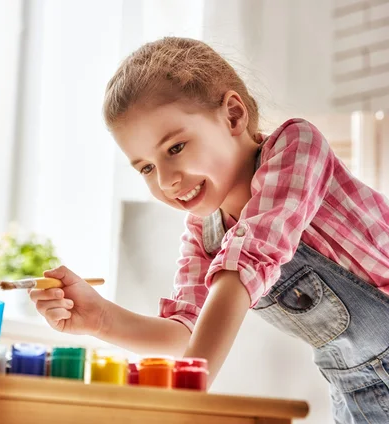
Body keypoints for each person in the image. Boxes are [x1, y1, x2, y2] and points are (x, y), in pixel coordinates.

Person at [29, 37, 389, 423]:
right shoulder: (205, 232)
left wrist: (187, 400)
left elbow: (247, 260)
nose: (166, 180)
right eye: (146, 168)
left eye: (175, 148)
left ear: (233, 115)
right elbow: (185, 332)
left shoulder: (297, 147)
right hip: (357, 391)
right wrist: (99, 318)